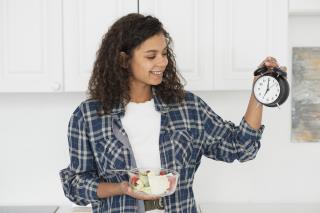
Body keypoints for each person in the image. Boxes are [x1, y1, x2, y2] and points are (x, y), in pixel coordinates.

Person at [60, 13, 285, 213]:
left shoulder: (187, 107)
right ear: (123, 60)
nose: (162, 62)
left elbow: (241, 146)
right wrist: (122, 188)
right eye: (151, 56)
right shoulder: (88, 116)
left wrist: (259, 92)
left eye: (164, 53)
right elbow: (75, 185)